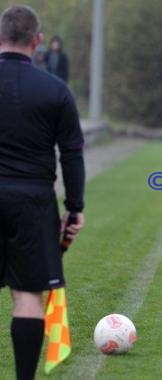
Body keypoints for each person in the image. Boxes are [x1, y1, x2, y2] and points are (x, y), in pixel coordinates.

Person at [0, 5, 85, 379]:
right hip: (33, 202)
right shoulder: (55, 90)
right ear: (36, 42)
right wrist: (75, 207)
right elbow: (72, 154)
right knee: (28, 295)